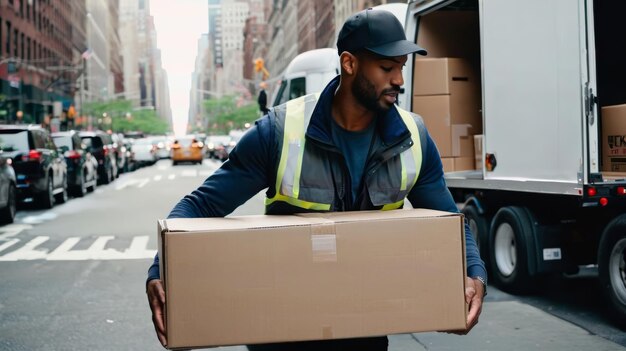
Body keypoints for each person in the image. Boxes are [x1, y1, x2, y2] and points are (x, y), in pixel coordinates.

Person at [147, 8, 486, 350]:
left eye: (401, 67)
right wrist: (162, 271)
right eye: (387, 67)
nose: (399, 80)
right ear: (349, 64)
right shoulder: (278, 133)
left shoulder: (413, 137)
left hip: (365, 331)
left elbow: (450, 222)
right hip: (282, 334)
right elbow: (201, 205)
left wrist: (474, 273)